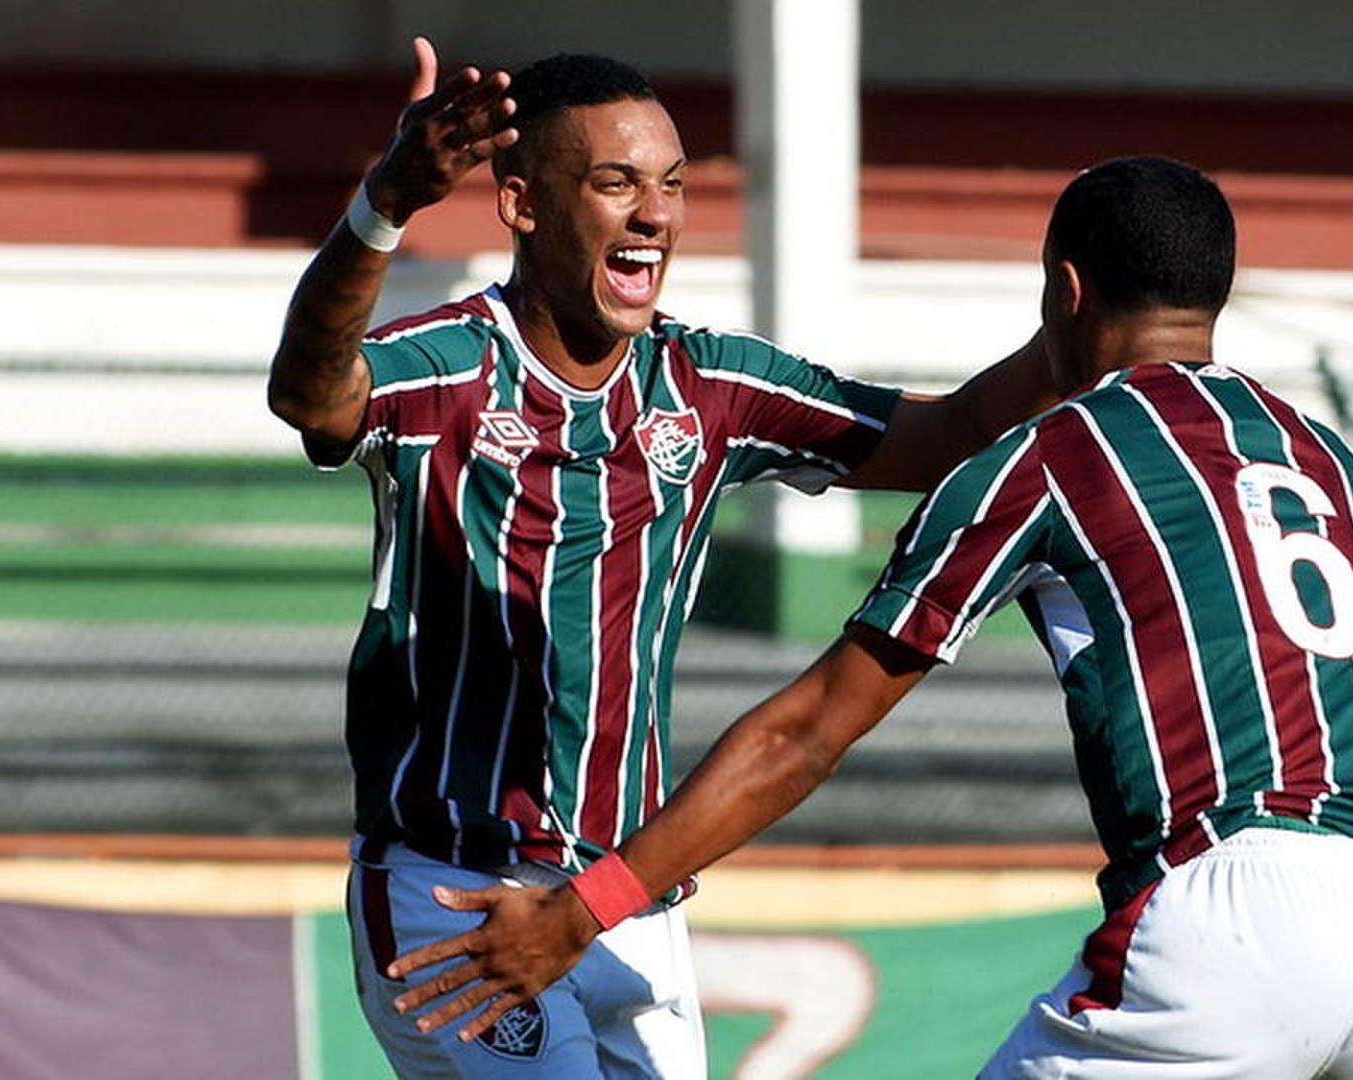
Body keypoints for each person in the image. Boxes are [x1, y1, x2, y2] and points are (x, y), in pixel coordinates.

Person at [387, 157, 1353, 1079]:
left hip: (1243, 913)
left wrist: (586, 910)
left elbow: (812, 726)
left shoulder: (1057, 454)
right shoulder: (1331, 461)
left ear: (1063, 293)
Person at [266, 38, 1055, 1079]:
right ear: (522, 205)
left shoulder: (706, 384)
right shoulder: (449, 368)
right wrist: (383, 205)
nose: (655, 215)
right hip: (452, 889)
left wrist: (1087, 328)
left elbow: (948, 433)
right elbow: (312, 397)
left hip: (624, 904)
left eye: (672, 184)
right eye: (615, 182)